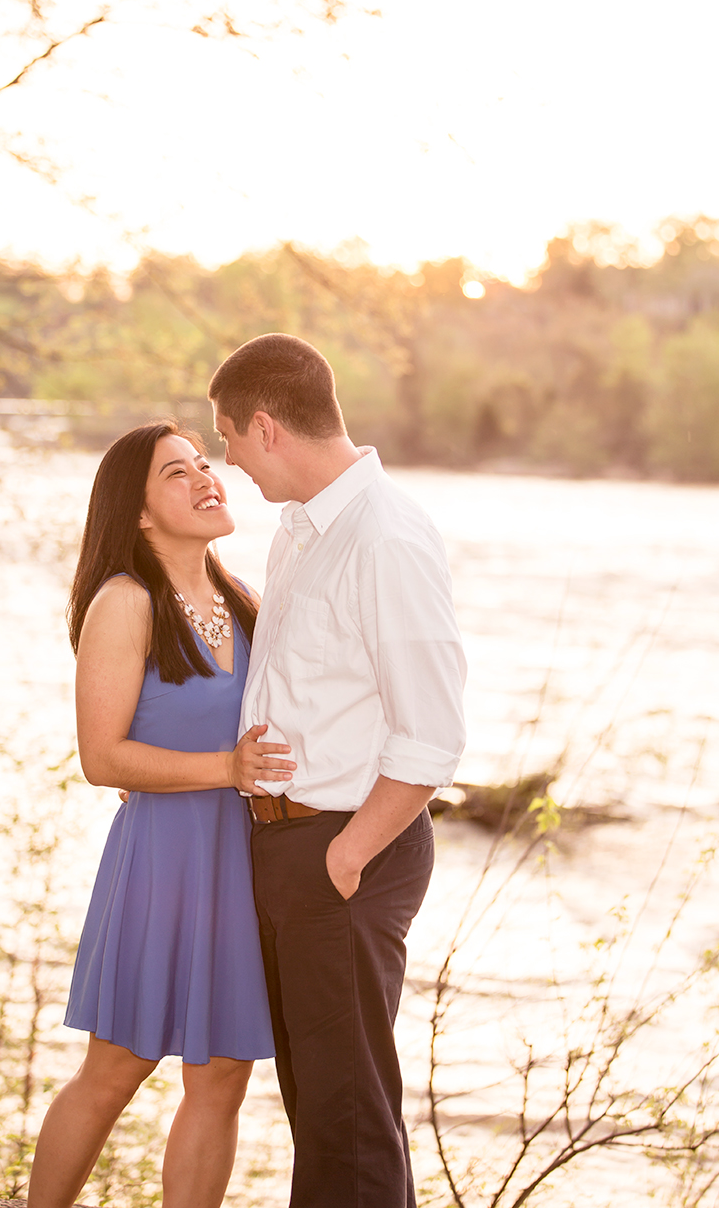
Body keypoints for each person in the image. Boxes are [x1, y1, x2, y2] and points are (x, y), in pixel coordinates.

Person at [208, 334, 467, 1208]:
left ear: (267, 426)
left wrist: (344, 859)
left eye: (229, 437)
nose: (227, 459)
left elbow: (430, 734)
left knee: (348, 1115)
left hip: (346, 849)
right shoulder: (301, 532)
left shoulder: (385, 536)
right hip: (292, 845)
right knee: (322, 1107)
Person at [27, 420, 295, 1208]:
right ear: (138, 511)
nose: (206, 478)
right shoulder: (125, 601)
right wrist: (224, 768)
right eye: (178, 473)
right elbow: (101, 758)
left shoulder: (245, 600)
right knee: (115, 1068)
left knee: (221, 1079)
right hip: (161, 864)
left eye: (204, 464)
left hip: (243, 867)